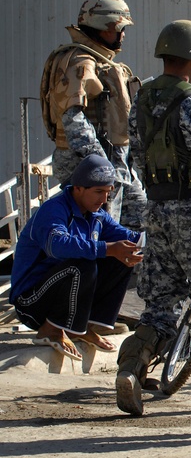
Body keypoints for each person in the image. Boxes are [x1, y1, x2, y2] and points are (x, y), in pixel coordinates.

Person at [115, 20, 191, 417]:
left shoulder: (142, 100)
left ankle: (131, 369)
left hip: (158, 211)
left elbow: (136, 157)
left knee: (159, 303)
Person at [10, 155, 143, 362]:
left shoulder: (97, 214)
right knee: (83, 262)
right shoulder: (54, 210)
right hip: (31, 303)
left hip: (60, 293)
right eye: (98, 192)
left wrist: (161, 240)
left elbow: (130, 238)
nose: (104, 199)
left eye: (107, 193)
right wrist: (107, 248)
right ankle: (51, 329)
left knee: (123, 256)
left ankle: (82, 327)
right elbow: (59, 246)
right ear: (77, 188)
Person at [40, 0, 146, 228]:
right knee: (97, 231)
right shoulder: (80, 61)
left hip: (115, 161)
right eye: (119, 28)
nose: (123, 35)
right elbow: (72, 117)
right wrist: (99, 166)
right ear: (101, 26)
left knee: (139, 223)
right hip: (91, 164)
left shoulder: (100, 61)